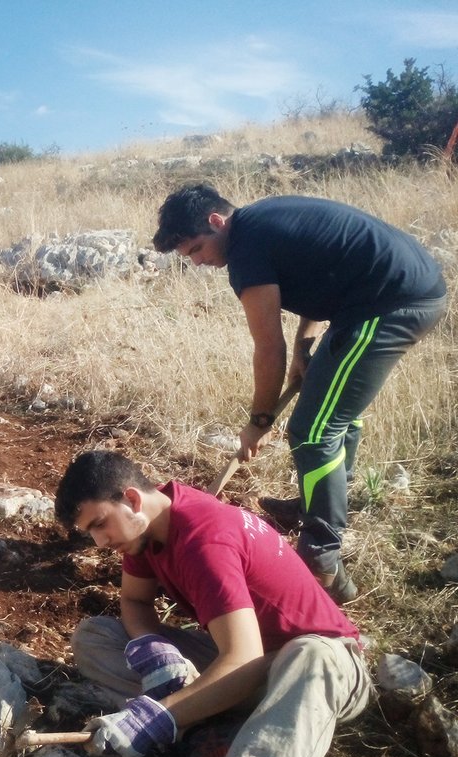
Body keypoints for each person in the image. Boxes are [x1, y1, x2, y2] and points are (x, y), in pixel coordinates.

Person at [55, 450, 370, 757]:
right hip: (250, 661)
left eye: (99, 524)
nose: (99, 542)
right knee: (97, 636)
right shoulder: (148, 532)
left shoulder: (204, 538)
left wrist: (156, 716)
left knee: (309, 656)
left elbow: (242, 662)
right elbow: (135, 604)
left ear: (131, 499)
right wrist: (154, 649)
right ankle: (217, 722)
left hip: (324, 667)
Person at [152, 184, 447, 602]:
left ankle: (321, 556)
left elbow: (268, 347)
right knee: (334, 411)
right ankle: (316, 504)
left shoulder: (247, 250)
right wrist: (306, 347)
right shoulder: (264, 221)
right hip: (384, 296)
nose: (199, 262)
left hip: (390, 304)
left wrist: (259, 420)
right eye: (190, 257)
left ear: (216, 222)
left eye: (197, 248)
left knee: (313, 430)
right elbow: (319, 272)